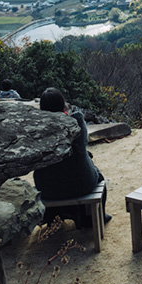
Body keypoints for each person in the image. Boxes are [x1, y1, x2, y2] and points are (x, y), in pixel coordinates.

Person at [33, 88, 111, 226]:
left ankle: (53, 215)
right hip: (81, 184)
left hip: (47, 188)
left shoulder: (35, 127)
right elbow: (82, 146)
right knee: (99, 176)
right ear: (63, 103)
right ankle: (93, 218)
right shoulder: (76, 120)